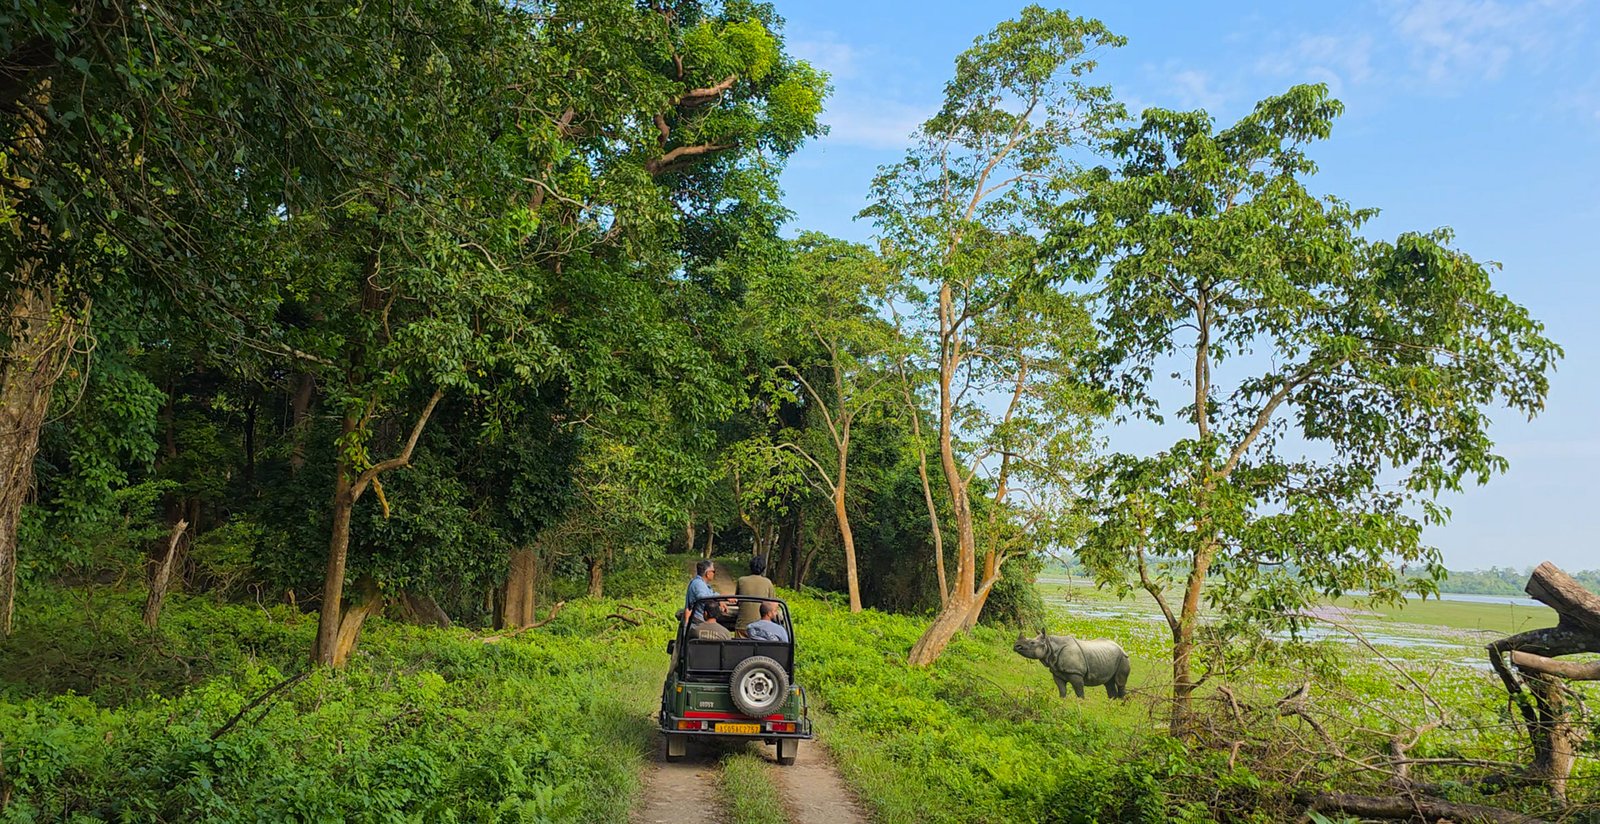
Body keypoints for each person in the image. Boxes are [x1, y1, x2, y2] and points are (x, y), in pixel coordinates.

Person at [735, 555, 776, 632]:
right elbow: (773, 604)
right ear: (763, 568)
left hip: (742, 626)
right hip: (761, 629)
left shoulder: (741, 580)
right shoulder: (768, 582)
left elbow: (738, 601)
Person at [684, 559, 721, 625]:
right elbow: (703, 597)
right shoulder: (698, 584)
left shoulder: (702, 584)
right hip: (698, 622)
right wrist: (720, 598)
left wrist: (720, 599)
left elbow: (710, 595)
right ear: (708, 573)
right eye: (713, 571)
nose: (714, 574)